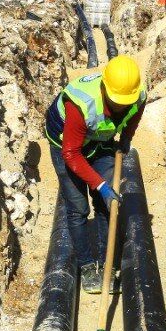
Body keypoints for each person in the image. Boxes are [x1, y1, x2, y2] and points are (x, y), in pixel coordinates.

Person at [44, 55, 147, 294]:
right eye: (116, 101)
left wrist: (127, 138)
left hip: (99, 140)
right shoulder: (82, 104)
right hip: (66, 145)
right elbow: (72, 154)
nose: (121, 105)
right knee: (78, 208)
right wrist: (100, 184)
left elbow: (135, 113)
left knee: (106, 204)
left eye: (125, 101)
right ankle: (87, 265)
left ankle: (107, 262)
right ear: (104, 88)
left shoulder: (136, 95)